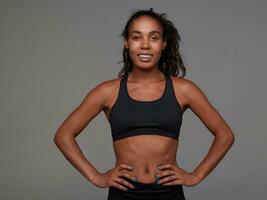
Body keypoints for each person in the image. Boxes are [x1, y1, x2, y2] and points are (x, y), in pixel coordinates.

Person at [54, 8, 235, 200]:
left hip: (169, 193)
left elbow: (225, 135)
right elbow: (63, 135)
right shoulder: (108, 91)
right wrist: (96, 177)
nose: (145, 45)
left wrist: (196, 175)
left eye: (154, 37)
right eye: (137, 37)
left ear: (164, 43)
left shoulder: (183, 90)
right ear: (126, 42)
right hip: (123, 194)